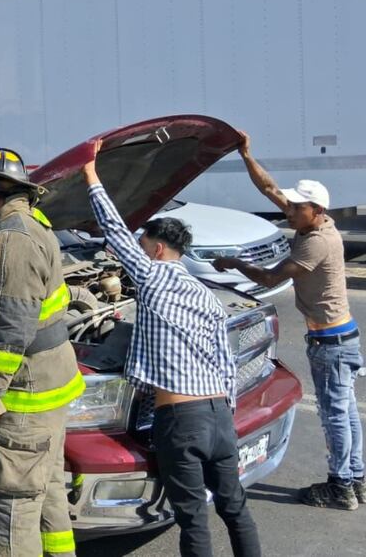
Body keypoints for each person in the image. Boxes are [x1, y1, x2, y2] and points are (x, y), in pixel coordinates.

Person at [84, 140, 260, 557]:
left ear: (157, 249)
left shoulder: (151, 277)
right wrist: (225, 413)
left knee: (192, 516)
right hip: (219, 416)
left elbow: (112, 228)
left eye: (143, 246)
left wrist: (90, 173)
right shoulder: (205, 295)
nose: (138, 252)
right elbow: (225, 361)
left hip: (180, 420)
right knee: (235, 508)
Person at [214, 131, 364, 510]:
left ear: (317, 210)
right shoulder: (311, 222)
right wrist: (246, 155)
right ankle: (357, 479)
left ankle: (340, 486)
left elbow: (270, 278)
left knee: (334, 417)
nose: (289, 210)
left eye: (297, 207)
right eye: (292, 205)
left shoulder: (318, 241)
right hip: (340, 336)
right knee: (345, 411)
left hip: (330, 341)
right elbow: (270, 188)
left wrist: (232, 263)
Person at [0, 148, 82, 557]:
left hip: (26, 394)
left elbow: (11, 327)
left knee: (11, 506)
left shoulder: (11, 240)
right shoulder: (33, 225)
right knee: (45, 493)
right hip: (49, 387)